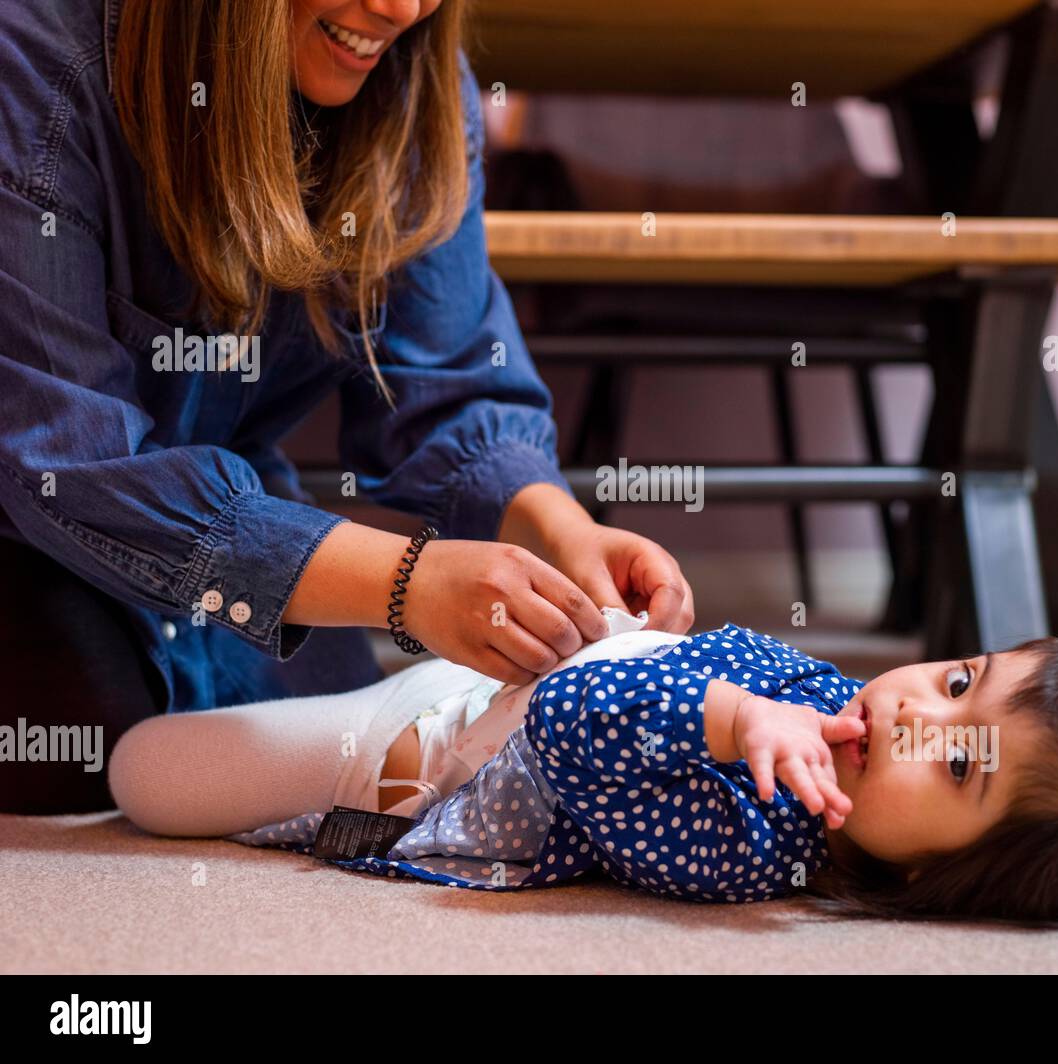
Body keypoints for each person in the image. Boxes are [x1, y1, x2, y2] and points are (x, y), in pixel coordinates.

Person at [0, 0, 693, 814]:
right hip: (23, 518)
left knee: (323, 714)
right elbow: (68, 463)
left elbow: (446, 383)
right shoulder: (36, 59)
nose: (401, 9)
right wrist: (406, 585)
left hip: (234, 511)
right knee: (80, 733)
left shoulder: (416, 81)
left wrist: (562, 528)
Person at [107, 618, 1058, 927]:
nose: (919, 714)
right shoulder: (820, 690)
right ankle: (206, 620)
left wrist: (733, 719)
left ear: (935, 877)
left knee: (145, 773)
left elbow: (573, 721)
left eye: (959, 764)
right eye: (962, 679)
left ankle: (182, 653)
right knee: (298, 626)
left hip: (422, 754)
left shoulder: (747, 855)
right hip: (484, 665)